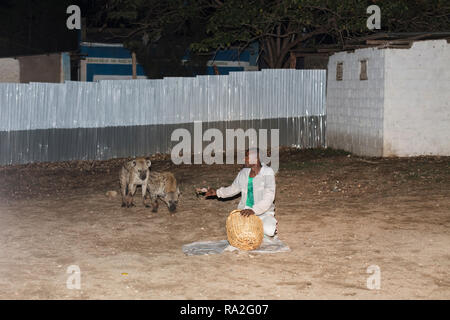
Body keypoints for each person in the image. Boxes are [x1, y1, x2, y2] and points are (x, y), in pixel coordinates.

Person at [205, 148, 277, 237]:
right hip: (245, 211)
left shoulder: (267, 172)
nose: (244, 159)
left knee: (269, 230)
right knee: (237, 233)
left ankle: (263, 225)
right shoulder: (244, 173)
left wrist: (253, 210)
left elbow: (268, 198)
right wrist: (217, 192)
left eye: (247, 156)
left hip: (263, 212)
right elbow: (233, 188)